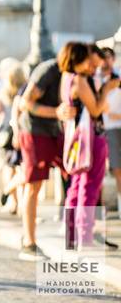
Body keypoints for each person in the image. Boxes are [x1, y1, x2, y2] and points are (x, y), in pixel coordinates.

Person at [18, 47, 73, 261]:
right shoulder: (48, 70)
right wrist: (56, 113)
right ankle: (29, 243)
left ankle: (78, 234)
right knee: (34, 185)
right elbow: (25, 103)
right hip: (35, 130)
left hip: (57, 131)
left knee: (76, 174)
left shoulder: (78, 75)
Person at [61, 44, 118, 250]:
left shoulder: (66, 78)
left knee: (76, 185)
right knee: (90, 185)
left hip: (77, 137)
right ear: (79, 59)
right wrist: (106, 91)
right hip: (91, 137)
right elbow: (96, 109)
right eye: (88, 59)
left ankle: (71, 235)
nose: (92, 64)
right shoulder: (80, 80)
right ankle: (84, 236)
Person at [0, 58, 28, 214]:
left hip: (4, 136)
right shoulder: (25, 92)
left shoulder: (3, 93)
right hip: (22, 134)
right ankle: (20, 201)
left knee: (10, 169)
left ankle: (13, 200)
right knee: (23, 169)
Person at [100, 48, 121, 217]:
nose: (106, 62)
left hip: (116, 126)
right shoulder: (94, 80)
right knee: (114, 167)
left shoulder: (118, 76)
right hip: (104, 129)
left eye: (109, 58)